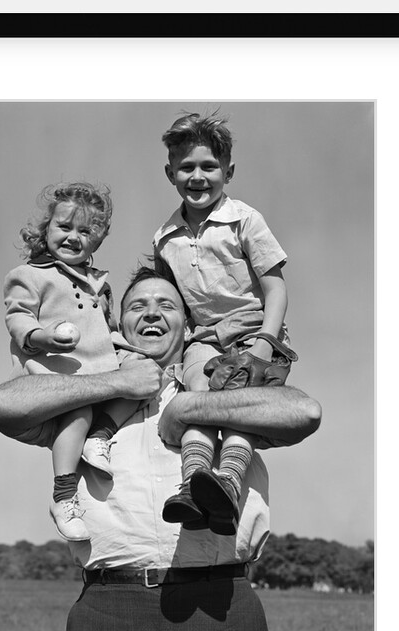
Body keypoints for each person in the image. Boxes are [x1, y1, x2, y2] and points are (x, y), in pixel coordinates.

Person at [0, 265, 321, 631]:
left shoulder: (222, 384)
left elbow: (303, 411)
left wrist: (188, 406)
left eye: (167, 304)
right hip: (108, 617)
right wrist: (117, 383)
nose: (151, 314)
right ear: (118, 325)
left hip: (218, 611)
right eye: (137, 306)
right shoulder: (85, 396)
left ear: (189, 323)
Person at [153, 111, 299, 535]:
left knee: (237, 408)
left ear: (228, 171)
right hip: (203, 337)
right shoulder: (164, 236)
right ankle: (193, 487)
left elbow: (275, 289)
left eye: (208, 166)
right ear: (170, 173)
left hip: (253, 330)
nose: (198, 176)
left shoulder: (244, 219)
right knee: (199, 396)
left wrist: (264, 344)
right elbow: (175, 304)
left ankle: (229, 483)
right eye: (186, 167)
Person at [3, 181, 143, 543]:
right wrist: (41, 337)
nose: (73, 237)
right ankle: (64, 495)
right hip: (57, 370)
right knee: (76, 413)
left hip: (102, 368)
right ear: (47, 227)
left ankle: (101, 435)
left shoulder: (99, 281)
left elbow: (107, 326)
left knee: (142, 382)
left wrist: (130, 354)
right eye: (64, 227)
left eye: (86, 231)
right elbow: (18, 317)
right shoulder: (31, 275)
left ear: (100, 238)